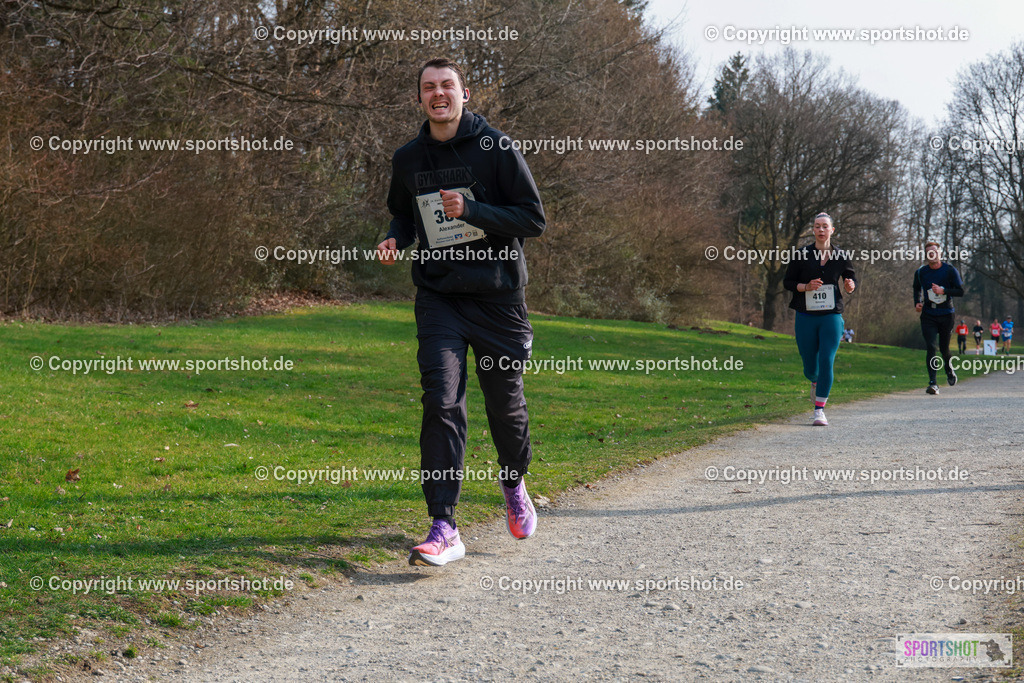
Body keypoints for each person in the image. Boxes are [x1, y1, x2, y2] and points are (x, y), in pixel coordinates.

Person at [379, 58, 545, 566]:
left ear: (464, 93)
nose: (438, 94)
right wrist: (393, 237)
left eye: (446, 85)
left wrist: (470, 210)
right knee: (441, 399)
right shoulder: (408, 158)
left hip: (497, 300)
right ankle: (444, 524)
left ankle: (514, 481)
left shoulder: (497, 148)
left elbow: (531, 218)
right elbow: (403, 215)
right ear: (420, 99)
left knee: (506, 407)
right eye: (429, 88)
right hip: (439, 298)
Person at [783, 212, 856, 426]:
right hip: (806, 315)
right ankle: (814, 380)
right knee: (809, 366)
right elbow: (788, 282)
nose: (821, 230)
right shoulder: (801, 254)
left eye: (825, 226)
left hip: (831, 315)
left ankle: (819, 410)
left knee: (827, 360)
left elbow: (851, 278)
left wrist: (850, 286)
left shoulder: (841, 256)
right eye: (817, 226)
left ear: (832, 230)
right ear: (813, 230)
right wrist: (805, 287)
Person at [913, 242, 965, 394]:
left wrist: (944, 291)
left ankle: (949, 370)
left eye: (934, 252)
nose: (932, 255)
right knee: (931, 346)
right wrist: (917, 302)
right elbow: (916, 288)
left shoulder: (949, 270)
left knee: (944, 348)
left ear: (939, 253)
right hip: (928, 314)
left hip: (946, 313)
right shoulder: (921, 272)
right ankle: (933, 383)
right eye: (928, 252)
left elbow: (960, 291)